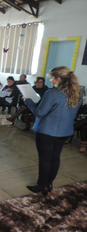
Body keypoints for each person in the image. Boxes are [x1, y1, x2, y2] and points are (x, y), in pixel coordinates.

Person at [25, 66, 81, 194]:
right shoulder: (77, 94)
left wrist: (28, 101)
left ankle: (41, 185)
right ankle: (49, 184)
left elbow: (40, 112)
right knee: (55, 158)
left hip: (46, 132)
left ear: (59, 79)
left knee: (45, 159)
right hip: (64, 132)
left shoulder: (52, 93)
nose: (51, 81)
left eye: (52, 78)